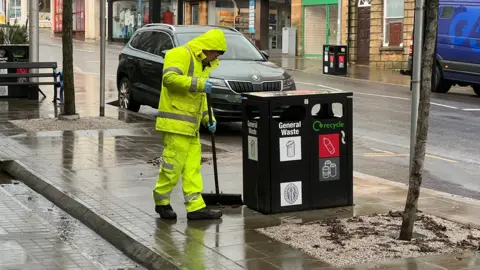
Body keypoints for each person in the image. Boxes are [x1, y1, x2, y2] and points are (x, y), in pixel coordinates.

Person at [153, 29, 227, 220]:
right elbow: (169, 79)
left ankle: (195, 208)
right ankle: (162, 203)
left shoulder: (203, 65)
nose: (216, 57)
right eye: (215, 53)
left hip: (191, 127)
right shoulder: (179, 54)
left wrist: (209, 118)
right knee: (172, 167)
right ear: (206, 48)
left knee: (192, 168)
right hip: (175, 124)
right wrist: (200, 84)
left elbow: (201, 99)